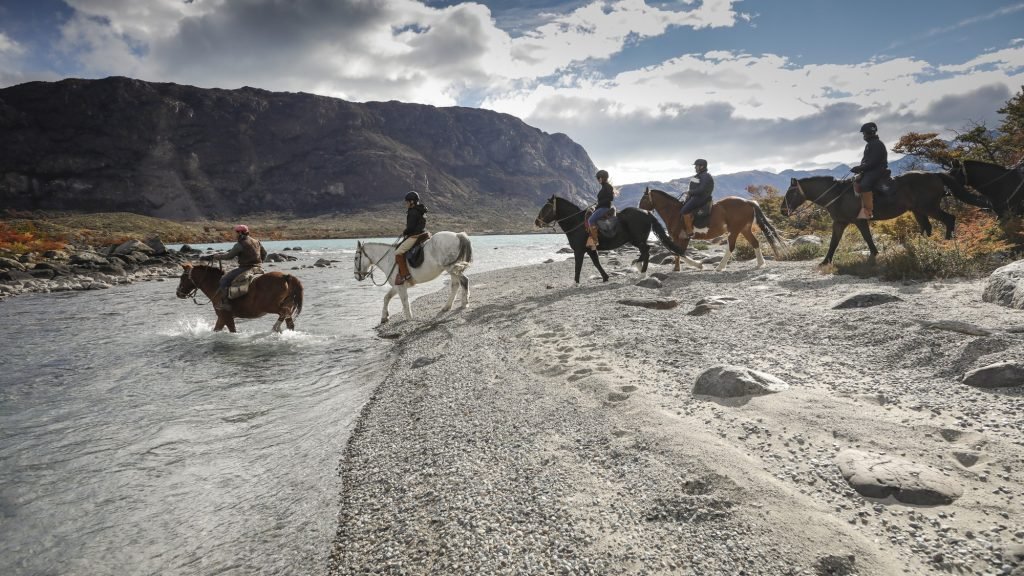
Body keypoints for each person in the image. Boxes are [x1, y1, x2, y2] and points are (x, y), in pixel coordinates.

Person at [200, 224, 267, 312]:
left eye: (235, 233)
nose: (234, 235)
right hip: (258, 267)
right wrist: (260, 263)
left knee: (224, 280)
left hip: (246, 268)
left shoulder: (239, 244)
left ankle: (225, 303)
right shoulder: (256, 241)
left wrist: (215, 257)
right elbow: (264, 253)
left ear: (239, 233)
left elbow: (229, 256)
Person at [850, 122, 888, 220]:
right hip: (871, 170)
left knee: (864, 185)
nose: (863, 136)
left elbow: (873, 162)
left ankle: (868, 212)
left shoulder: (877, 144)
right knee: (855, 181)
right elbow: (866, 161)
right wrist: (859, 167)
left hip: (877, 170)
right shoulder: (870, 144)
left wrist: (860, 168)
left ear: (869, 133)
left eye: (864, 134)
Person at [394, 191, 428, 285]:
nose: (406, 204)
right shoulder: (420, 209)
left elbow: (411, 228)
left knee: (398, 252)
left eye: (407, 202)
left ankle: (406, 274)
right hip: (424, 233)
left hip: (415, 235)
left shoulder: (413, 212)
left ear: (412, 202)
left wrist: (405, 232)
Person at [678, 158, 714, 240]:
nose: (695, 168)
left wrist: (690, 192)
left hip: (701, 197)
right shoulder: (698, 176)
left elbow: (701, 189)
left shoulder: (705, 176)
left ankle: (690, 232)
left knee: (684, 211)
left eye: (696, 166)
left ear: (701, 166)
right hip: (695, 196)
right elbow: (693, 186)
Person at [586, 169, 615, 249]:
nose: (598, 180)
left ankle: (595, 242)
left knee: (590, 220)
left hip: (604, 208)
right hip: (601, 207)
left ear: (602, 178)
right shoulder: (604, 187)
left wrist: (600, 203)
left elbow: (610, 198)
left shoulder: (608, 187)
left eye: (598, 178)